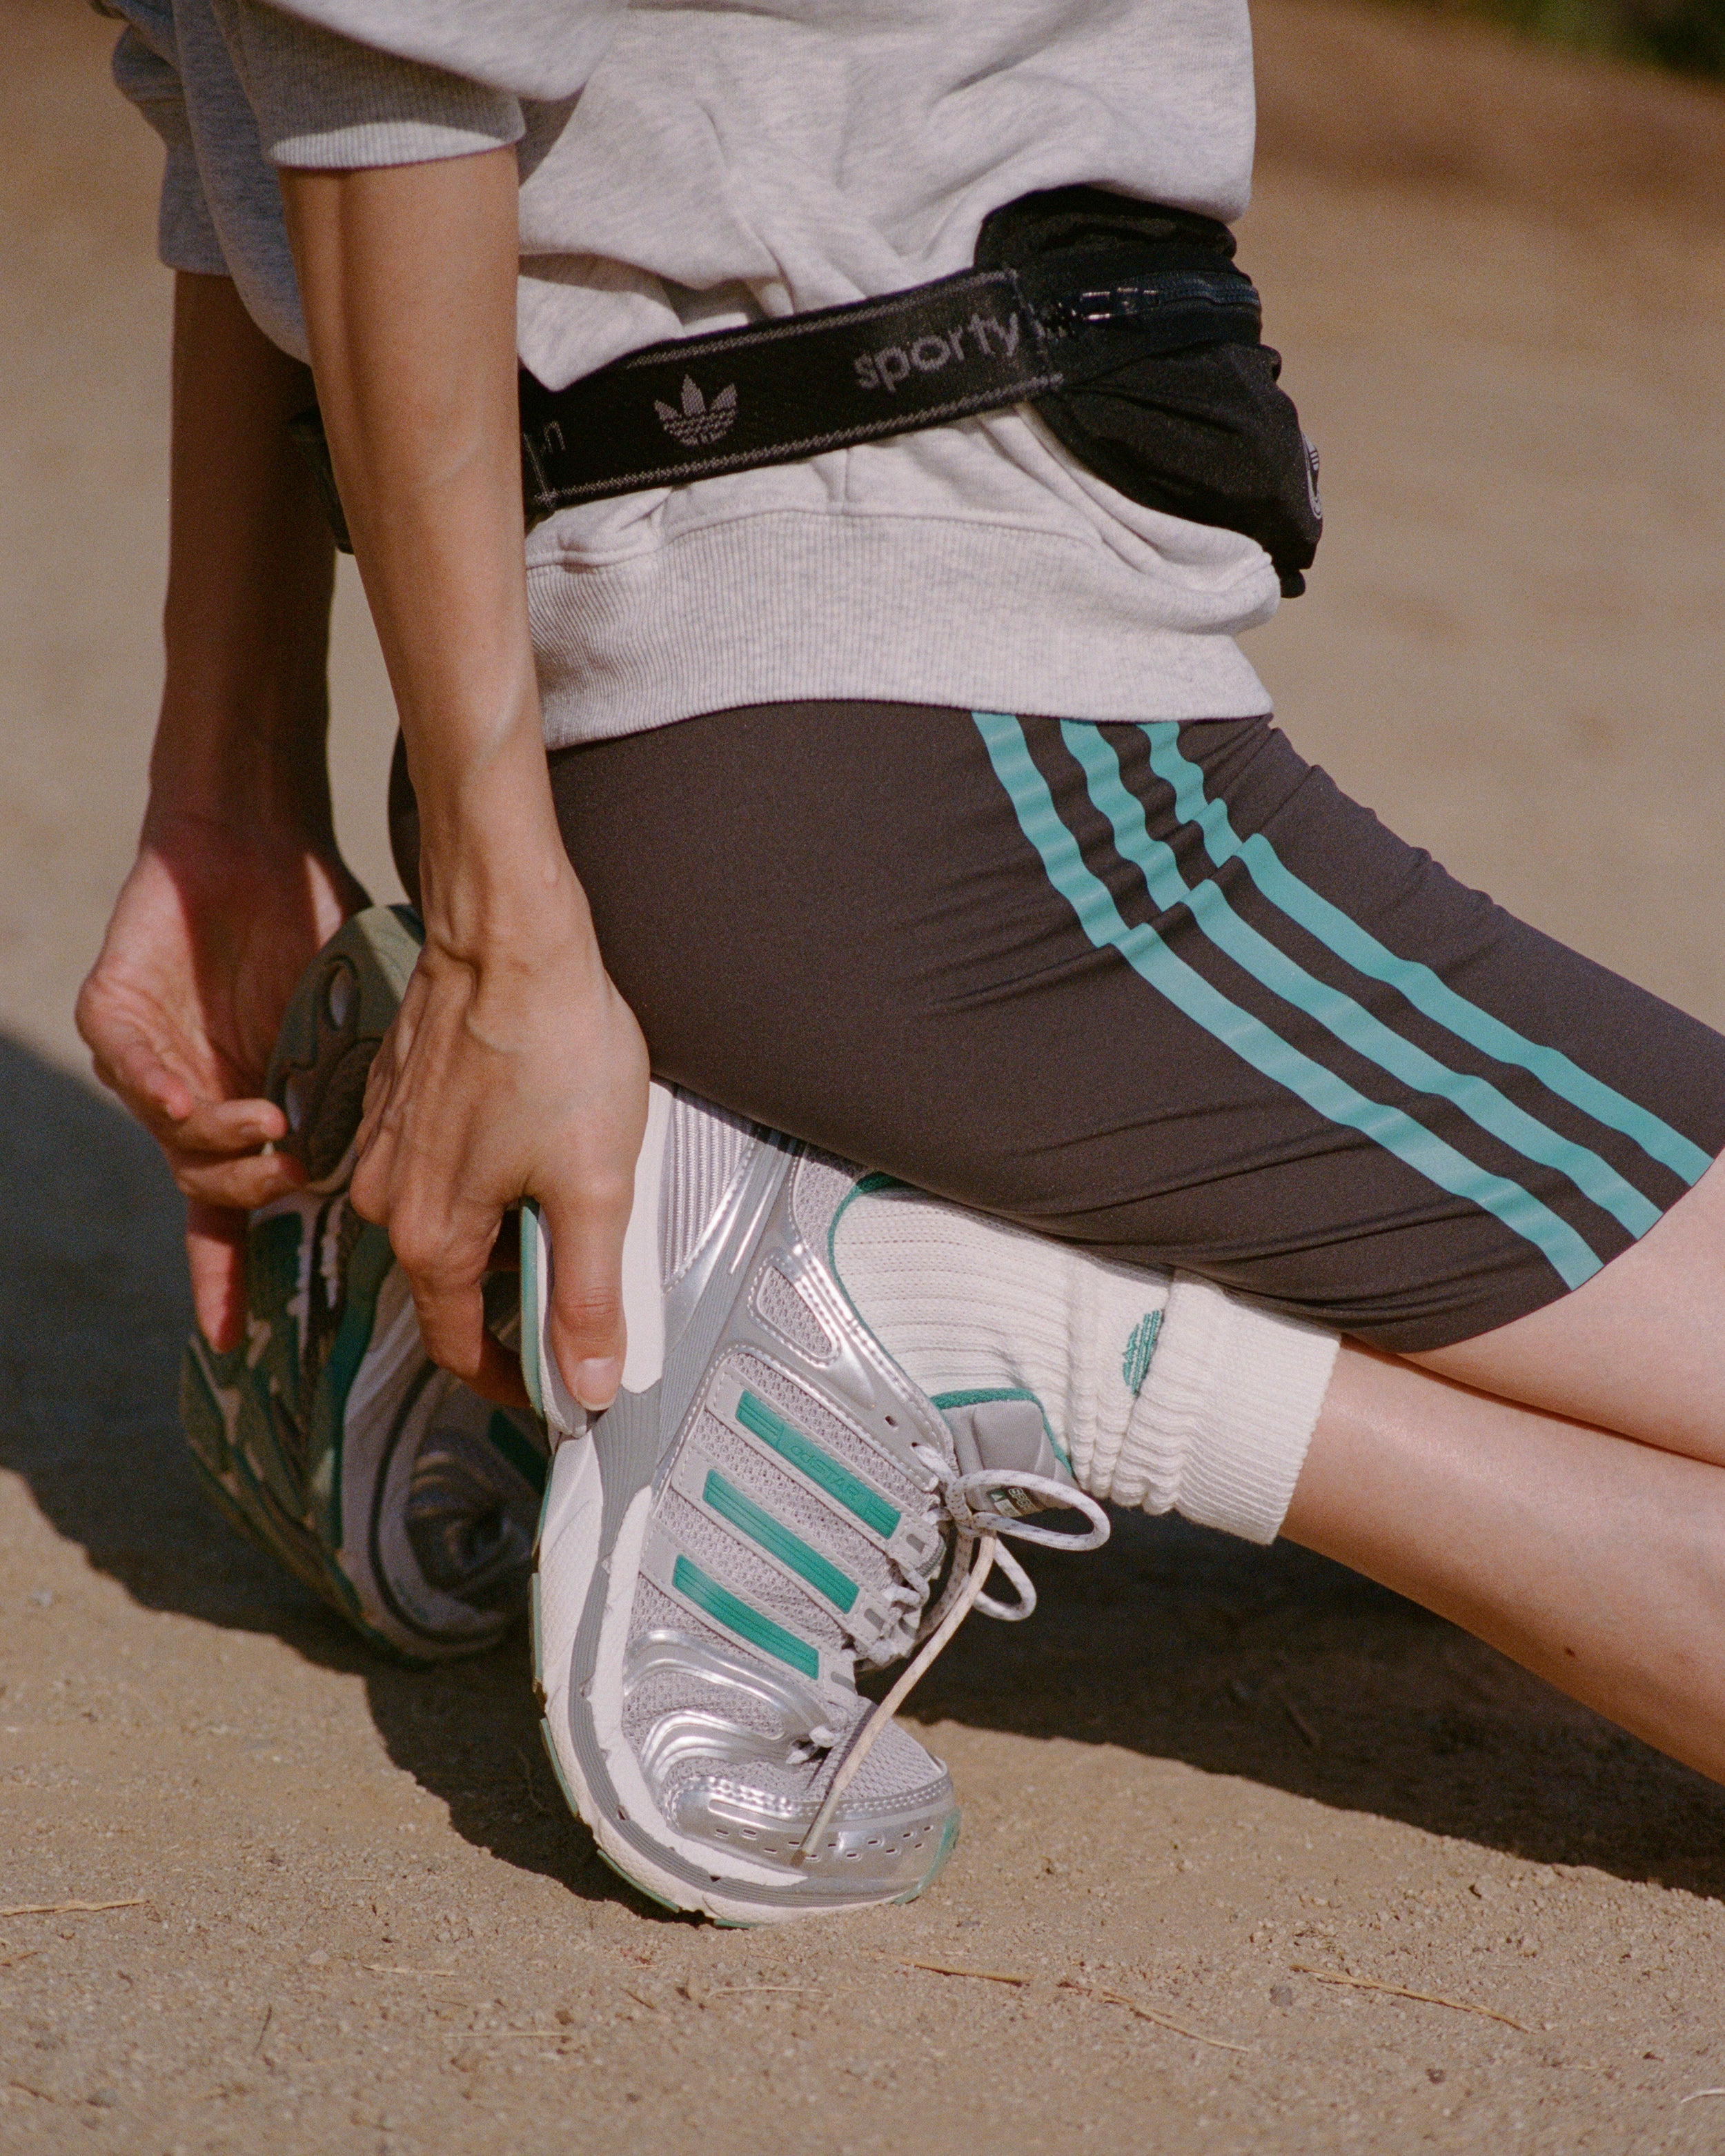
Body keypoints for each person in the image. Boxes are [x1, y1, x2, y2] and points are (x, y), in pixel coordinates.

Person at [80, 0, 1725, 1920]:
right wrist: (501, 946)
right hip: (944, 776)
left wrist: (233, 795)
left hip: (734, 755)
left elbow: (254, 69)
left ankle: (868, 1242)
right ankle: (961, 1324)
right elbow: (385, 45)